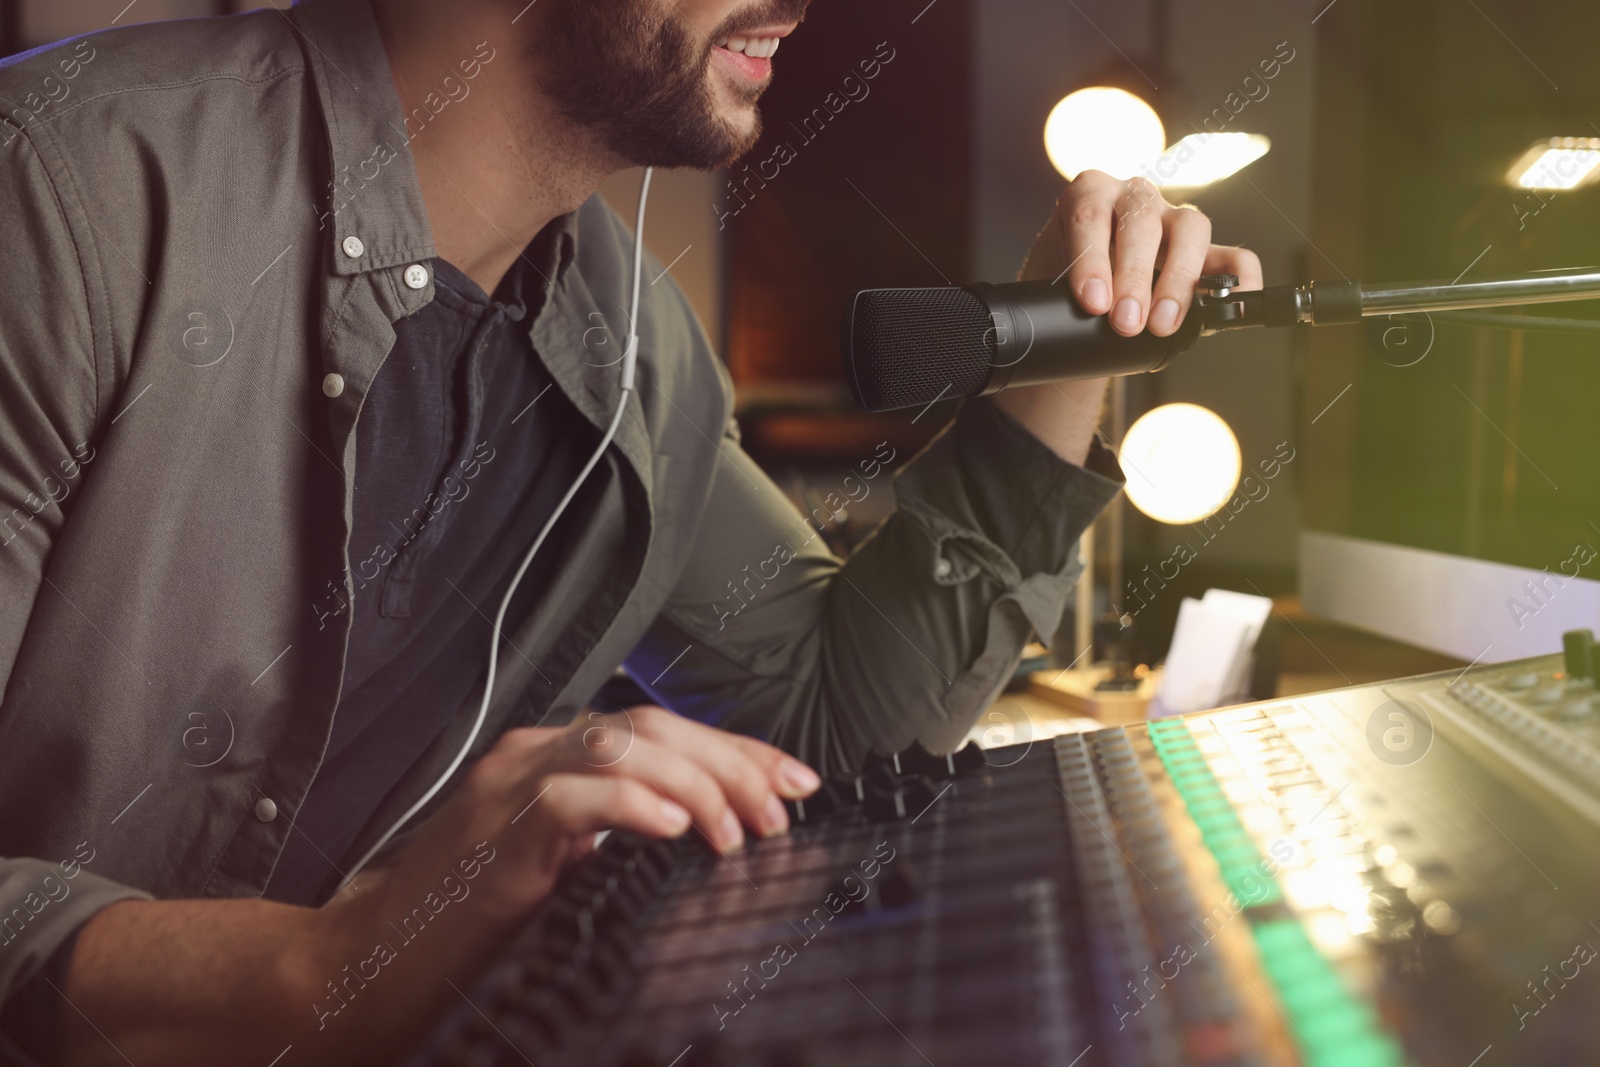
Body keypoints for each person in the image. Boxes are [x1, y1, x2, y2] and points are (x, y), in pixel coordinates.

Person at [0, 0, 1261, 1063]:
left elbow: (833, 737)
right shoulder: (56, 195)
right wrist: (324, 963)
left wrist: (1065, 340)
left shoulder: (637, 353)